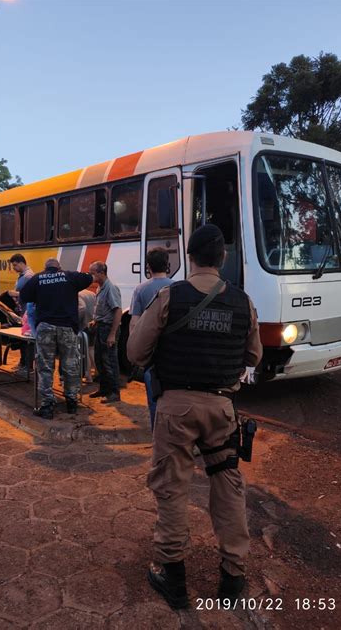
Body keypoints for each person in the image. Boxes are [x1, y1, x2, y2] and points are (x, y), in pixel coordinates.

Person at [127, 224, 263, 610]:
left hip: (176, 410)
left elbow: (136, 353)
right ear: (222, 258)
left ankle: (174, 580)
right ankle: (233, 578)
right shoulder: (243, 301)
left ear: (190, 256)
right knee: (228, 487)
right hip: (222, 410)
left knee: (172, 487)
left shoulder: (172, 296)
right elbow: (253, 357)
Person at [20, 257, 92, 420]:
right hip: (67, 327)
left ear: (46, 269)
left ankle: (47, 406)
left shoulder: (38, 278)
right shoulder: (69, 276)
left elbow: (24, 296)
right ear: (59, 267)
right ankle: (72, 403)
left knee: (45, 367)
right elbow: (88, 278)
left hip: (46, 327)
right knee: (70, 366)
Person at [129, 247, 173, 430]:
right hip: (173, 351)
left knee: (154, 398)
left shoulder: (141, 289)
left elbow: (134, 324)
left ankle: (158, 436)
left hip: (152, 354)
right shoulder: (177, 286)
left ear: (148, 267)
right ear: (168, 265)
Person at [88, 261, 122, 403]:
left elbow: (117, 311)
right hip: (100, 327)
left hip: (108, 328)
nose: (91, 276)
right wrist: (95, 321)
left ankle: (114, 392)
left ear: (101, 273)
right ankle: (104, 389)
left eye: (93, 273)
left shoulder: (110, 288)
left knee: (110, 361)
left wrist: (112, 334)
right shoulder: (100, 288)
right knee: (100, 360)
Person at [8, 254, 35, 374]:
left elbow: (29, 294)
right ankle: (23, 362)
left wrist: (13, 294)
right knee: (23, 339)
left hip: (27, 312)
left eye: (15, 265)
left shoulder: (28, 277)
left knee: (27, 339)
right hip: (23, 311)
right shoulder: (22, 276)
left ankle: (27, 366)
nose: (14, 268)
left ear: (21, 263)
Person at [78, 288, 96, 384]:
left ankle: (88, 376)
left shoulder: (77, 295)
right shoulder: (91, 293)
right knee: (91, 349)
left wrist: (76, 321)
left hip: (84, 325)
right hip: (93, 323)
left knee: (85, 351)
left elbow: (81, 308)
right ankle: (97, 372)